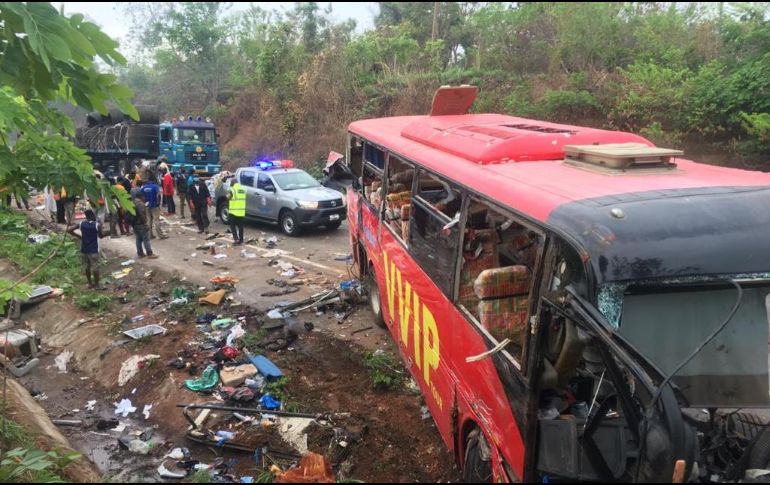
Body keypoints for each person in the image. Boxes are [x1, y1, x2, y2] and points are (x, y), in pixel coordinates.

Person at [68, 209, 105, 289]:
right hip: (94, 249)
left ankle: (90, 283)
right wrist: (107, 232)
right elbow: (101, 236)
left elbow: (70, 230)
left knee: (87, 267)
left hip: (84, 248)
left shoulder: (81, 224)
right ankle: (97, 285)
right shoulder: (96, 225)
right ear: (92, 215)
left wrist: (80, 237)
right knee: (95, 267)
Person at [129, 192, 157, 259]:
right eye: (143, 197)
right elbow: (142, 214)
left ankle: (140, 253)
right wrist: (145, 223)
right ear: (141, 197)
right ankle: (150, 254)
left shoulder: (132, 202)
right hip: (141, 224)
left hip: (134, 223)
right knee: (146, 239)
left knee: (138, 239)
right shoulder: (140, 204)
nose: (144, 198)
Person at [227, 177, 247, 245]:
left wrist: (228, 191)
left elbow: (228, 197)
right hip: (241, 211)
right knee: (240, 226)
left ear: (232, 183)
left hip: (233, 212)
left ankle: (236, 239)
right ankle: (241, 240)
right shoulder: (243, 189)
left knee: (232, 226)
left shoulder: (232, 190)